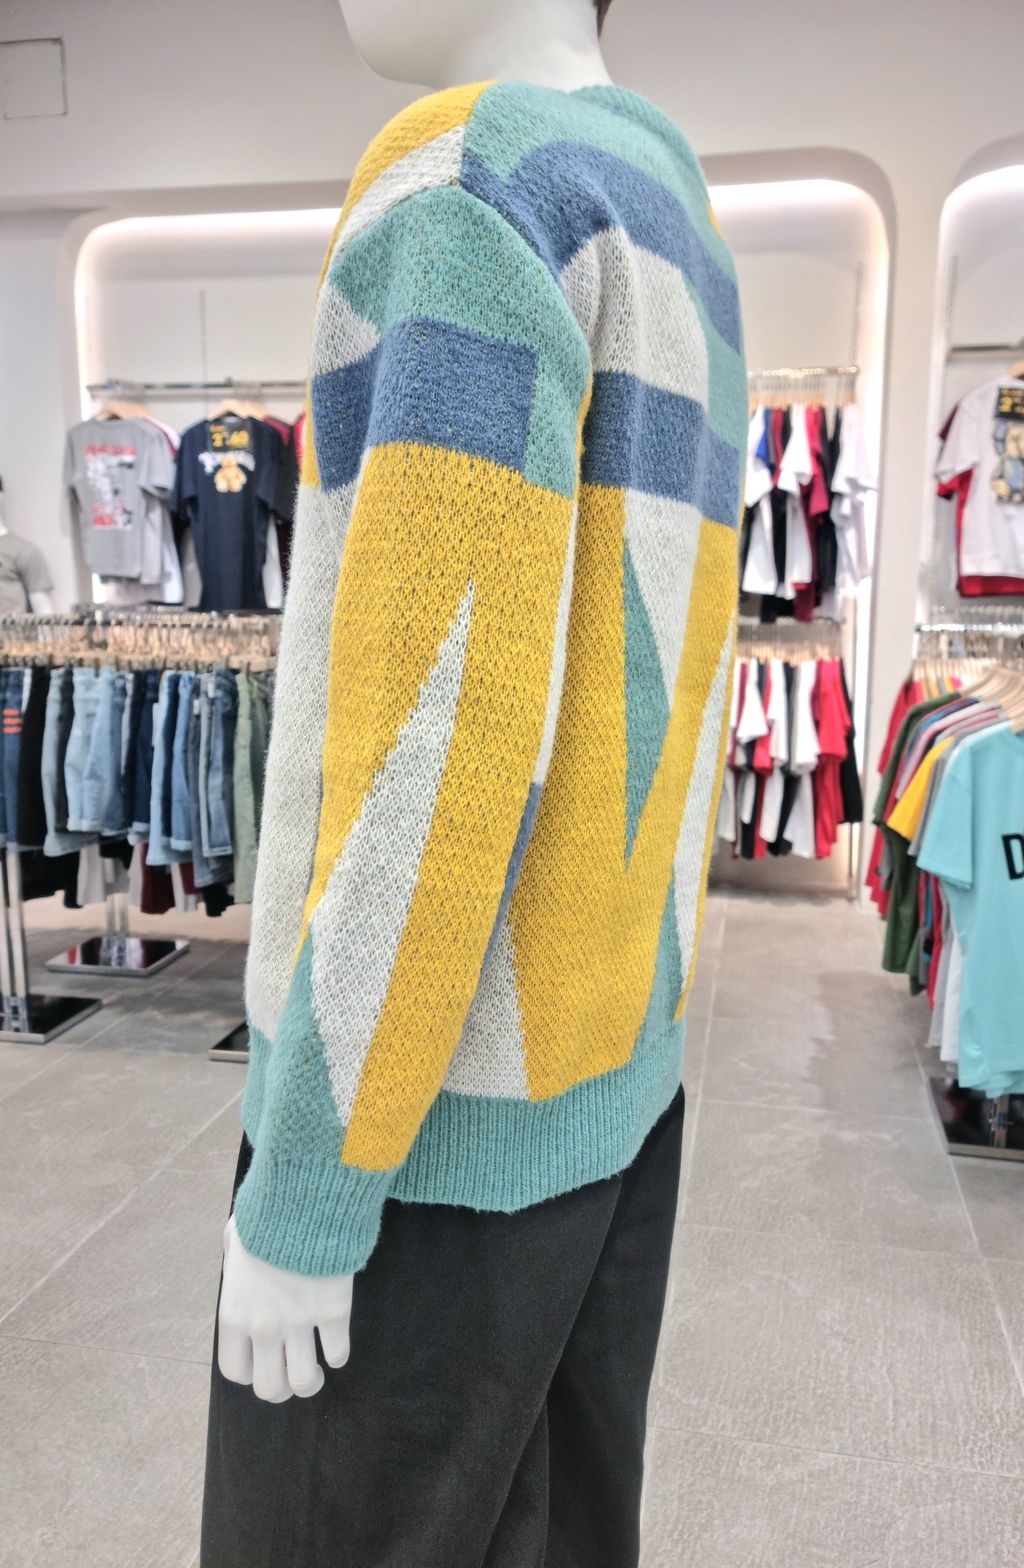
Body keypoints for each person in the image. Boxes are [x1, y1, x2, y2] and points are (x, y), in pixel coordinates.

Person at [202, 0, 746, 1562]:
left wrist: (312, 1183)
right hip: (613, 1086)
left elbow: (440, 738)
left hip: (427, 1133)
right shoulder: (675, 208)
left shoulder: (469, 184)